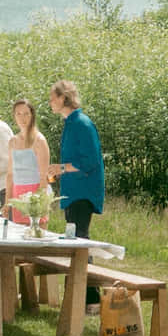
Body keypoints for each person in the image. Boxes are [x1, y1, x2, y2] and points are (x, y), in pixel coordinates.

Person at [47, 80, 104, 241]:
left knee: (79, 240)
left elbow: (90, 161)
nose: (50, 102)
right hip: (72, 191)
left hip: (83, 192)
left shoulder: (82, 123)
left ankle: (86, 266)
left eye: (52, 98)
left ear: (63, 98)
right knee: (74, 240)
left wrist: (62, 168)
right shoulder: (70, 123)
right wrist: (57, 172)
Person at [6, 97, 51, 225]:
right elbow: (10, 175)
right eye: (18, 114)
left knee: (36, 238)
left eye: (26, 113)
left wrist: (37, 203)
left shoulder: (39, 140)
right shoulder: (12, 142)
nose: (22, 118)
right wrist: (7, 202)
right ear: (14, 116)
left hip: (36, 194)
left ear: (32, 115)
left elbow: (44, 177)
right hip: (17, 194)